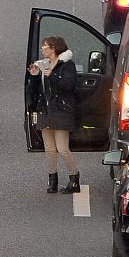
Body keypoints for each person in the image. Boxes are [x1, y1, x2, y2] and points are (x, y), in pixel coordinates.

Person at [27, 36, 80, 194]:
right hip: (46, 109)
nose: (42, 49)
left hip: (61, 110)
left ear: (54, 48)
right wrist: (35, 76)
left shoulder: (67, 65)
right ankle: (52, 179)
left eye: (45, 46)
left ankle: (74, 178)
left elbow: (69, 85)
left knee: (62, 148)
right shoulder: (42, 65)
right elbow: (36, 91)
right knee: (49, 148)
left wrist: (53, 75)